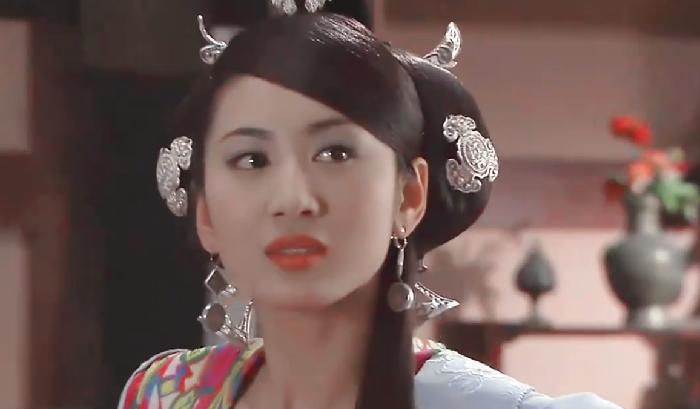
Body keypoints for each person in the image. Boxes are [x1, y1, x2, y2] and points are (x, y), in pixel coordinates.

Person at [120, 1, 623, 408]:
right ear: (207, 213)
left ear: (409, 195)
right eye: (251, 160)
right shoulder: (168, 393)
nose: (293, 199)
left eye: (335, 153)